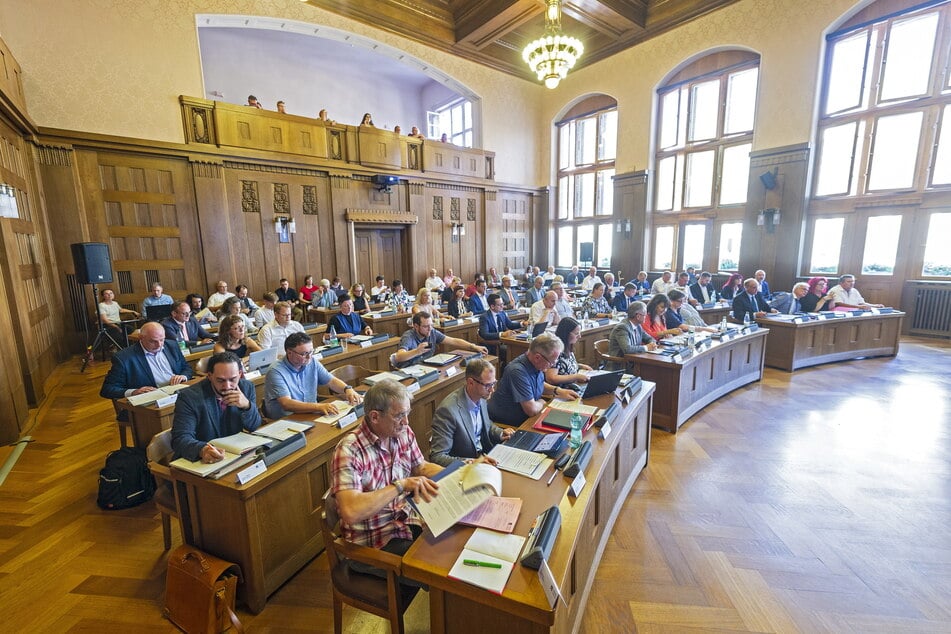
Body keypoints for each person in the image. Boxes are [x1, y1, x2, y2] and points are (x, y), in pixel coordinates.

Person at [330, 379, 443, 569]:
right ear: (375, 417)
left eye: (407, 413)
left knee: (450, 543)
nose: (406, 422)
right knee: (438, 567)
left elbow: (420, 467)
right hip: (372, 545)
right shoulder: (349, 450)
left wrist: (463, 471)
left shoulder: (402, 432)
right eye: (399, 415)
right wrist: (400, 486)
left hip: (406, 522)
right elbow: (351, 512)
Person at [170, 352, 262, 462]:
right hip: (201, 460)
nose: (227, 386)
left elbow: (254, 426)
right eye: (220, 380)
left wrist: (247, 406)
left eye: (232, 379)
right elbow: (180, 438)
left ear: (240, 374)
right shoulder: (189, 397)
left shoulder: (246, 387)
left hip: (233, 455)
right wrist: (202, 450)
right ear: (209, 376)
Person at [429, 359, 513, 467]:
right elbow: (437, 457)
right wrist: (472, 463)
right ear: (471, 383)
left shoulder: (481, 397)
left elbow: (486, 425)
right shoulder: (447, 411)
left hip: (485, 458)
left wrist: (500, 433)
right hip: (464, 469)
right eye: (488, 385)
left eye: (494, 383)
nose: (492, 390)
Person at [487, 334, 579, 427]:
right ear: (537, 357)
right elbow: (532, 410)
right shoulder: (517, 371)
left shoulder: (536, 364)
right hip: (510, 425)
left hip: (529, 419)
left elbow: (538, 383)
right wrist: (542, 402)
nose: (552, 365)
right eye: (551, 362)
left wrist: (558, 391)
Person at [263, 332, 362, 419]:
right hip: (286, 419)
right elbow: (286, 403)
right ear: (289, 352)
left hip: (311, 412)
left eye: (311, 352)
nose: (309, 357)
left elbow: (330, 381)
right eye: (304, 353)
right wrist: (318, 407)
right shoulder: (275, 371)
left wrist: (347, 389)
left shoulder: (311, 361)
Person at [100, 321, 192, 400]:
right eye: (153, 341)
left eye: (162, 340)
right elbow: (107, 389)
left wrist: (183, 376)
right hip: (151, 401)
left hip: (179, 393)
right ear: (141, 337)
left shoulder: (171, 345)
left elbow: (186, 367)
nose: (159, 345)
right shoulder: (124, 358)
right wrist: (134, 392)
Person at [392, 312, 486, 369]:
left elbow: (453, 341)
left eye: (431, 325)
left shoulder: (432, 332)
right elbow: (399, 357)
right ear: (416, 326)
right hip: (409, 370)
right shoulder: (408, 336)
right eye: (426, 326)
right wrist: (417, 351)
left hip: (426, 368)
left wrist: (474, 346)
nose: (430, 329)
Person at [607, 302, 657, 371]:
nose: (646, 317)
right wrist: (646, 347)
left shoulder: (638, 326)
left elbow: (649, 338)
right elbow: (627, 349)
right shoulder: (622, 327)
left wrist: (652, 344)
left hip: (633, 362)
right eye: (645, 315)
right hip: (621, 366)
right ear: (638, 316)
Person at [545, 317, 592, 390]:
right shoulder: (556, 351)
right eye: (576, 333)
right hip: (562, 391)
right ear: (566, 334)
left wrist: (580, 366)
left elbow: (565, 365)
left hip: (574, 385)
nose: (579, 336)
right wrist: (576, 376)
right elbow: (551, 378)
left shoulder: (568, 346)